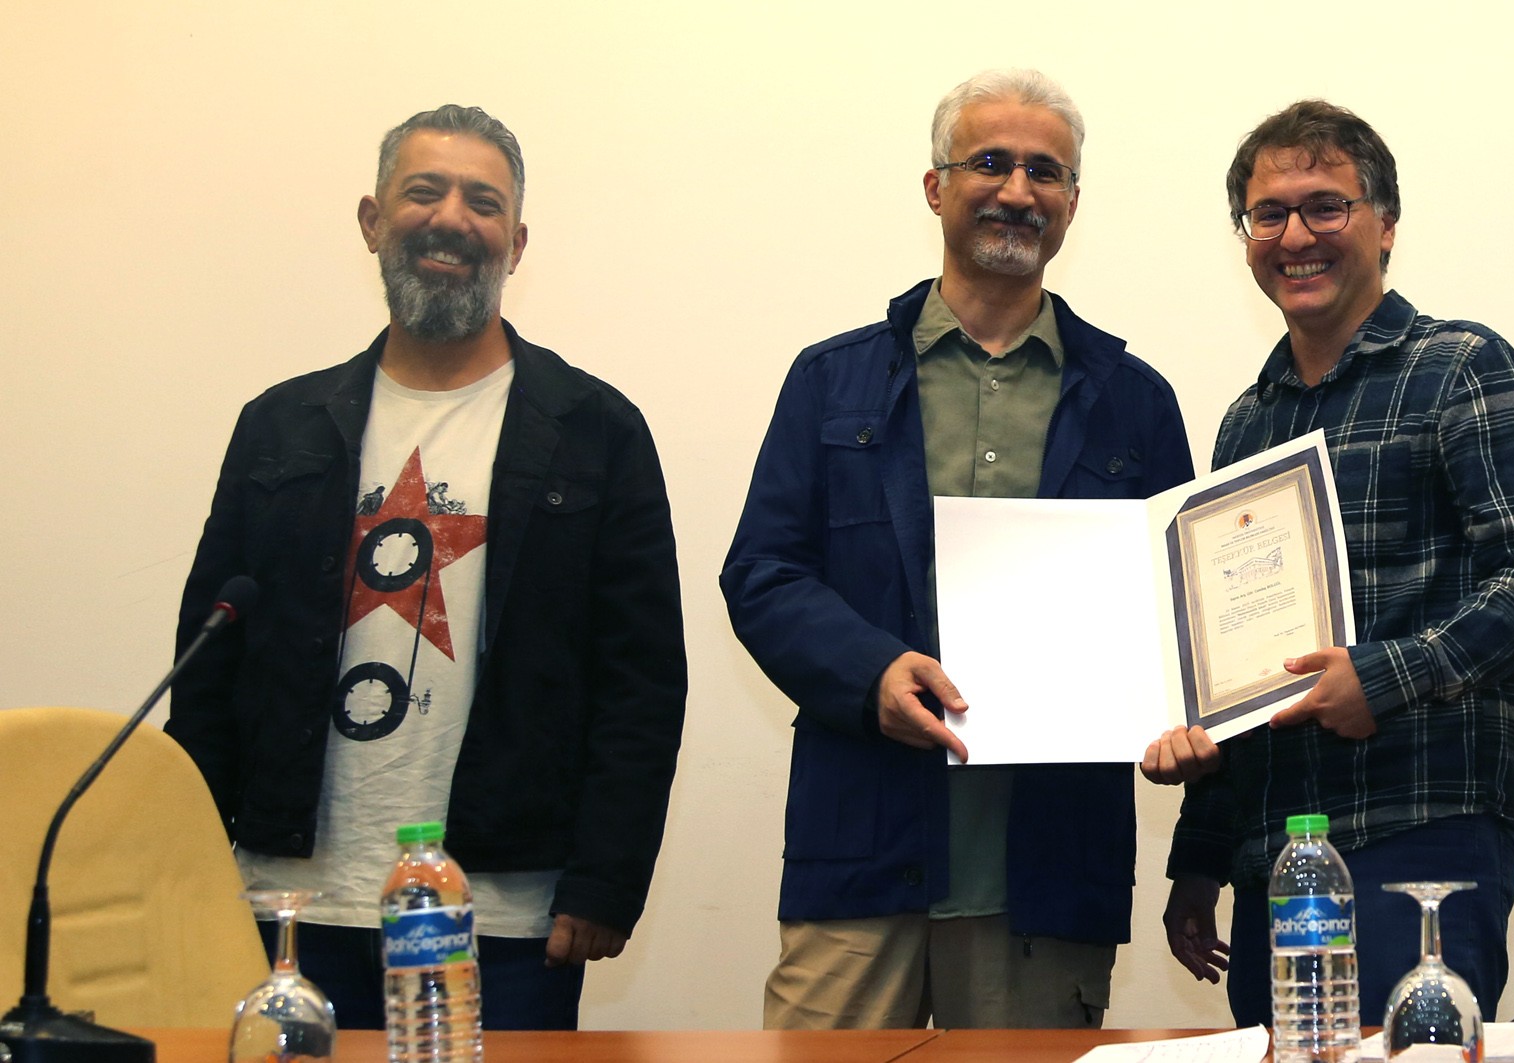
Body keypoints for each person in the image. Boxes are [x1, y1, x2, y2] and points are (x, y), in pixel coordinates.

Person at [165, 104, 687, 1030]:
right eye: (424, 192)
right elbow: (207, 665)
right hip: (288, 900)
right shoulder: (279, 427)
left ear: (516, 244)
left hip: (507, 912)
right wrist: (186, 867)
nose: (451, 218)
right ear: (372, 221)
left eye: (483, 202)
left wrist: (606, 877)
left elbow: (640, 681)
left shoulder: (594, 431)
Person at [721, 69, 1196, 1030]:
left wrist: (1183, 717)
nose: (1018, 190)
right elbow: (763, 574)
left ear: (1071, 204)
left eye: (1045, 172)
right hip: (862, 856)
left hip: (1048, 875)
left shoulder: (1136, 403)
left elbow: (1178, 613)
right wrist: (871, 673)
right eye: (990, 162)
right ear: (936, 186)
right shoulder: (832, 381)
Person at [1156, 100, 1514, 1026]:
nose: (1295, 236)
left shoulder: (1463, 366)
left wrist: (1382, 679)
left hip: (1422, 829)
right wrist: (1200, 856)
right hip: (1276, 854)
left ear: (1385, 224)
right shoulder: (1247, 423)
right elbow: (1238, 669)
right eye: (1269, 214)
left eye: (1326, 206)